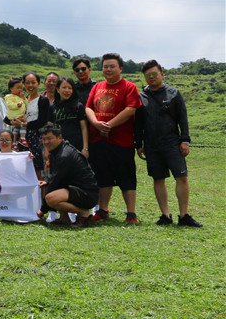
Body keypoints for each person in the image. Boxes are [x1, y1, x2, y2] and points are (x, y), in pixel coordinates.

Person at [136, 60, 201, 227]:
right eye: (147, 76)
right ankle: (165, 215)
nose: (151, 78)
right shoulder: (141, 97)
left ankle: (184, 215)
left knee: (182, 178)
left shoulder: (174, 93)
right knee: (158, 179)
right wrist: (139, 144)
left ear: (162, 74)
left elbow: (183, 119)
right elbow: (138, 123)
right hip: (151, 145)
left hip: (172, 143)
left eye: (154, 74)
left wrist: (185, 140)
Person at [85, 53, 142, 223]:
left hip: (121, 141)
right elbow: (88, 108)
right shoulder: (97, 87)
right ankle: (103, 210)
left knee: (126, 176)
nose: (108, 69)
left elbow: (131, 109)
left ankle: (131, 214)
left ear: (120, 68)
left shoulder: (129, 86)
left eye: (112, 66)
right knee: (103, 176)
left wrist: (108, 125)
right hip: (98, 140)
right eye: (105, 66)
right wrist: (96, 123)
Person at [36, 124, 98, 228]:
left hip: (87, 194)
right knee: (54, 187)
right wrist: (47, 181)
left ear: (59, 137)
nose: (46, 142)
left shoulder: (64, 155)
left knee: (51, 198)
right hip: (75, 189)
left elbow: (56, 182)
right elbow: (58, 176)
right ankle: (64, 218)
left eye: (49, 138)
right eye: (44, 139)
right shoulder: (57, 150)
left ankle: (83, 213)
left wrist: (42, 210)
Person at [17, 72, 51, 179]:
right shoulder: (22, 101)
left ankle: (41, 195)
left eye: (33, 82)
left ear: (39, 84)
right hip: (22, 138)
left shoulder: (43, 101)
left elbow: (42, 121)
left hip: (36, 139)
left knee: (38, 171)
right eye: (27, 83)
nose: (30, 85)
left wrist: (24, 124)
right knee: (23, 171)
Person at [51, 78, 89, 155]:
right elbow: (49, 128)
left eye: (70, 88)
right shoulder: (52, 107)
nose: (67, 90)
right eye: (64, 87)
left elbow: (84, 128)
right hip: (58, 146)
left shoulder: (78, 106)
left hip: (77, 146)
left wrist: (85, 148)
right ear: (58, 90)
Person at [4, 77, 28, 146]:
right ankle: (22, 138)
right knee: (21, 126)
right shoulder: (9, 97)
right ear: (11, 88)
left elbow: (27, 103)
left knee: (17, 128)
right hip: (14, 116)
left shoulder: (20, 97)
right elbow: (10, 105)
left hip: (20, 115)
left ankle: (14, 142)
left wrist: (23, 98)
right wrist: (17, 105)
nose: (20, 90)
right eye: (18, 88)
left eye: (21, 88)